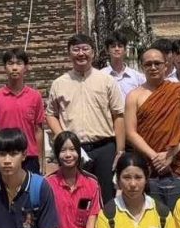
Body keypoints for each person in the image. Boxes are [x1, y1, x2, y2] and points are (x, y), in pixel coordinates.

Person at [46, 34, 126, 203]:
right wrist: (63, 138)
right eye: (76, 50)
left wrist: (120, 150)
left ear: (93, 53)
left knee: (106, 196)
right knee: (75, 195)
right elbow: (51, 114)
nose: (81, 53)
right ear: (69, 54)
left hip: (104, 147)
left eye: (85, 49)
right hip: (73, 150)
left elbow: (118, 115)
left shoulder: (107, 81)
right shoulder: (59, 83)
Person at [125, 47, 180, 207]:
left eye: (157, 63)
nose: (153, 67)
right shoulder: (134, 96)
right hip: (147, 163)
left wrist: (170, 155)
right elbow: (130, 132)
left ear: (166, 65)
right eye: (148, 64)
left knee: (179, 211)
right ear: (142, 67)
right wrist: (155, 157)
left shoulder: (179, 91)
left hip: (175, 161)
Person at [95, 153, 173, 228]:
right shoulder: (107, 216)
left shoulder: (162, 213)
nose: (132, 184)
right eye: (126, 177)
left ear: (146, 178)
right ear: (118, 180)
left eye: (138, 177)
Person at [46, 131, 101, 228]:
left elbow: (91, 224)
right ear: (57, 154)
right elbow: (50, 226)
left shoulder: (92, 183)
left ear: (78, 152)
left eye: (72, 149)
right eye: (63, 150)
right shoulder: (48, 184)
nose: (68, 155)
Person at [0, 48, 46, 173]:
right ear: (4, 68)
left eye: (19, 63)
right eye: (10, 64)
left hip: (29, 156)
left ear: (26, 67)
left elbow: (38, 130)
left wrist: (41, 158)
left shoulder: (35, 96)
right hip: (4, 155)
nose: (15, 68)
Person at [100, 31, 145, 102]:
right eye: (113, 46)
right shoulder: (101, 75)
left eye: (120, 46)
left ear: (125, 50)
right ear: (107, 50)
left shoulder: (137, 77)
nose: (117, 49)